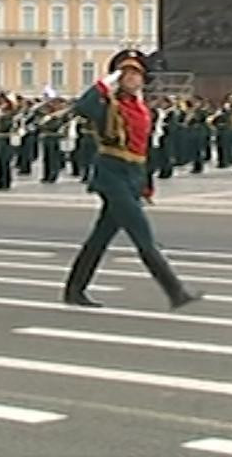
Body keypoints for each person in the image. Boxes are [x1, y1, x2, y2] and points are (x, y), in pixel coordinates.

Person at [62, 49, 201, 310]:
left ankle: (74, 289)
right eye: (125, 73)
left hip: (132, 176)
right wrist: (106, 82)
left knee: (100, 238)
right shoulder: (108, 104)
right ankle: (176, 291)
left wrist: (146, 184)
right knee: (143, 236)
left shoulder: (141, 109)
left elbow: (143, 148)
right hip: (111, 175)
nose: (131, 78)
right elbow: (82, 107)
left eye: (136, 73)